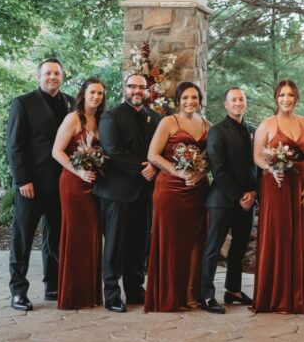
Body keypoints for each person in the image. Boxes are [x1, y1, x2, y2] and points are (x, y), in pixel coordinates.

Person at [6, 58, 74, 311]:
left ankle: (52, 285)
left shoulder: (71, 103)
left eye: (57, 73)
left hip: (60, 185)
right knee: (22, 238)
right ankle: (18, 291)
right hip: (30, 185)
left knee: (54, 238)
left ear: (62, 76)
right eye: (47, 73)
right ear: (39, 77)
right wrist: (23, 179)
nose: (52, 77)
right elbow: (15, 145)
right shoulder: (23, 103)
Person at [144, 82, 211, 312]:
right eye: (185, 98)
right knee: (172, 243)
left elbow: (210, 159)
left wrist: (200, 174)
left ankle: (190, 294)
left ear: (200, 100)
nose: (190, 102)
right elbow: (153, 155)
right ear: (178, 100)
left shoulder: (207, 125)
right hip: (171, 189)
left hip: (197, 191)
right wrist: (179, 172)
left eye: (194, 98)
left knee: (195, 243)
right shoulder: (168, 122)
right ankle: (169, 296)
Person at [97, 73, 160, 312]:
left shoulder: (155, 118)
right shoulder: (111, 116)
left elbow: (160, 148)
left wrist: (155, 167)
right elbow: (113, 150)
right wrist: (143, 168)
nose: (137, 91)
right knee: (114, 244)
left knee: (139, 243)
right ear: (125, 89)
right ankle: (112, 293)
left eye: (141, 87)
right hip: (117, 192)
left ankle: (135, 290)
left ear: (147, 91)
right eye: (132, 86)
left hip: (144, 192)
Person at [251, 80, 304, 314]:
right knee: (277, 237)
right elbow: (257, 156)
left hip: (300, 188)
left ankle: (295, 297)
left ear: (296, 97)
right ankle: (272, 296)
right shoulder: (267, 124)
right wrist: (270, 169)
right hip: (276, 186)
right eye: (281, 95)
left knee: (297, 238)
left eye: (290, 95)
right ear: (276, 98)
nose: (286, 99)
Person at [198, 86, 258, 313]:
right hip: (222, 199)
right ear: (226, 104)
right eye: (233, 100)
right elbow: (218, 168)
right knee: (213, 249)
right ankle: (205, 295)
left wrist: (254, 193)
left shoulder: (253, 130)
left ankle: (233, 290)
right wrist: (238, 195)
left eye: (241, 99)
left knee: (239, 248)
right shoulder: (217, 131)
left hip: (248, 200)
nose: (238, 103)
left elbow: (256, 166)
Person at [50, 77, 106, 310]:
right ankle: (73, 295)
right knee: (75, 236)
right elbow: (57, 151)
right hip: (74, 183)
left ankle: (90, 294)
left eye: (100, 93)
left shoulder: (102, 119)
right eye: (92, 92)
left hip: (95, 185)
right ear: (83, 94)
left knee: (92, 237)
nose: (96, 97)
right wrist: (79, 171)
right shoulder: (73, 118)